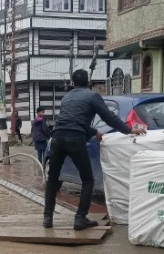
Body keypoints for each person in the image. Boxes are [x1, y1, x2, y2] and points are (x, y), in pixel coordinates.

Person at [44, 69, 146, 231]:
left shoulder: (67, 97)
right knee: (88, 180)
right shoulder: (92, 96)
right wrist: (129, 130)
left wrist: (94, 132)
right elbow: (109, 117)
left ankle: (47, 218)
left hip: (56, 138)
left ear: (72, 83)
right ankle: (80, 219)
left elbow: (72, 121)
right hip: (75, 140)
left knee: (52, 179)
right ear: (88, 83)